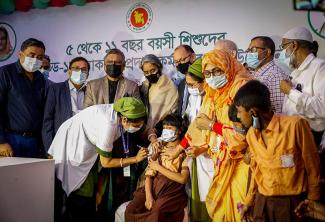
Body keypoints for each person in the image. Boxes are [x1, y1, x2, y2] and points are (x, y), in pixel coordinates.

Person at [166, 49, 252, 221]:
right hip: (221, 159)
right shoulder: (213, 93)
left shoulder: (242, 88)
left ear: (228, 67)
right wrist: (178, 151)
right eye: (208, 73)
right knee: (221, 210)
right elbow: (197, 126)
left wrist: (212, 125)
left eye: (217, 71)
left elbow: (244, 132)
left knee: (240, 210)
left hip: (242, 160)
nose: (212, 77)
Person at [48, 97, 148, 222]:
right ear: (124, 119)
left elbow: (143, 127)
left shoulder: (119, 111)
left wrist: (153, 136)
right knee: (80, 188)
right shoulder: (108, 124)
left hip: (87, 145)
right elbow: (106, 163)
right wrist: (135, 159)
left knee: (89, 187)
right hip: (74, 147)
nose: (137, 128)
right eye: (136, 126)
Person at [235, 80, 321, 222]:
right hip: (263, 204)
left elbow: (313, 167)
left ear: (253, 112)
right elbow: (256, 172)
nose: (238, 117)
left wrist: (312, 202)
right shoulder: (251, 135)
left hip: (293, 206)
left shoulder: (295, 126)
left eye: (239, 111)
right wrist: (248, 202)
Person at [279, 26, 325, 199]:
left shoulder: (320, 68)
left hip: (313, 140)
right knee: (296, 191)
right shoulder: (295, 73)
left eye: (284, 47)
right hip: (294, 140)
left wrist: (290, 92)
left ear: (295, 45)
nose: (282, 53)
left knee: (310, 194)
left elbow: (323, 107)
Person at [125, 114, 189, 222]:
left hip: (172, 189)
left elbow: (183, 179)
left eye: (169, 128)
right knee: (131, 210)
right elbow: (149, 175)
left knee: (157, 211)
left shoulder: (184, 151)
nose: (166, 131)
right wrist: (149, 196)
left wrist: (159, 167)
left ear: (179, 131)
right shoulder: (159, 147)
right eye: (164, 128)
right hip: (154, 185)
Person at [0, 38, 46, 158]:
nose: (35, 60)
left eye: (40, 57)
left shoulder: (41, 79)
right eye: (32, 55)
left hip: (34, 141)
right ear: (20, 54)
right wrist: (1, 141)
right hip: (10, 139)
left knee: (31, 176)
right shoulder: (5, 73)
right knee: (10, 177)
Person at [139, 54, 178, 144]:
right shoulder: (144, 86)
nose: (150, 74)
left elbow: (171, 112)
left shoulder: (168, 86)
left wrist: (155, 130)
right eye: (146, 72)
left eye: (153, 70)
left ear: (159, 67)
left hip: (162, 131)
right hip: (143, 132)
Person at [246, 36, 288, 113]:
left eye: (253, 50)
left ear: (268, 52)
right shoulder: (256, 73)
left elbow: (280, 111)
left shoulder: (275, 75)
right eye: (248, 50)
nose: (249, 54)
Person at [173, 45, 196, 115]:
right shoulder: (181, 84)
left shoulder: (202, 81)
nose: (179, 64)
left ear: (193, 57)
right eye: (176, 62)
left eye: (182, 60)